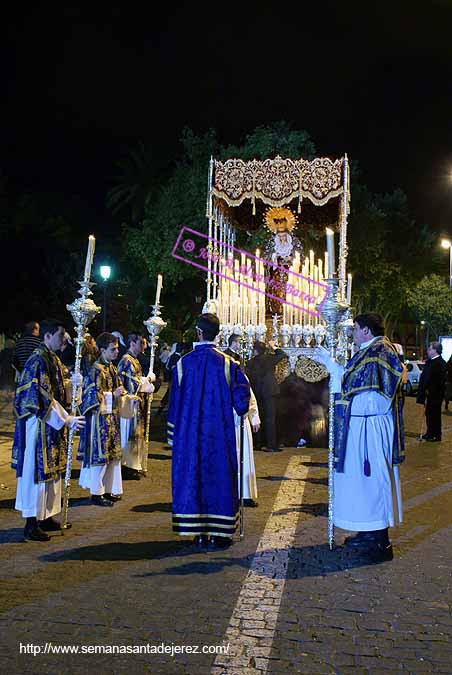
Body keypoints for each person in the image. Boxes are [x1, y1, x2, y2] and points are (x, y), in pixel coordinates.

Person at [318, 312, 404, 562]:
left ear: (366, 330)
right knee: (361, 482)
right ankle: (368, 531)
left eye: (355, 328)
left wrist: (333, 368)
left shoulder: (379, 352)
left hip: (371, 428)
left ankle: (379, 541)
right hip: (362, 425)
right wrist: (334, 367)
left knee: (373, 480)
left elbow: (361, 388)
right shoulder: (369, 350)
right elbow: (352, 383)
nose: (353, 333)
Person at [168, 313, 250, 549]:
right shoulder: (228, 364)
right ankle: (220, 533)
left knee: (193, 478)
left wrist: (174, 435)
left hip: (190, 438)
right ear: (219, 334)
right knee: (219, 479)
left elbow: (174, 404)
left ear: (199, 332)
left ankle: (198, 532)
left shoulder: (183, 364)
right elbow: (242, 402)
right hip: (218, 436)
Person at [11, 319, 85, 541]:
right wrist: (66, 419)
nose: (64, 340)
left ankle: (46, 516)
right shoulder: (38, 360)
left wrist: (75, 383)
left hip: (51, 425)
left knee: (51, 473)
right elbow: (41, 396)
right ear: (47, 336)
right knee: (37, 472)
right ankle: (31, 523)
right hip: (38, 424)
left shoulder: (51, 357)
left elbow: (60, 387)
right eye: (61, 335)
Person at [77, 332, 127, 506]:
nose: (117, 352)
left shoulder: (112, 367)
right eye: (113, 349)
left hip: (111, 418)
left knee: (112, 457)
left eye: (117, 348)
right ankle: (96, 493)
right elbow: (91, 398)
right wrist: (113, 394)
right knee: (101, 456)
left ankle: (108, 489)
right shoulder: (95, 370)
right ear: (102, 350)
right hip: (99, 422)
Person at [224, 337, 260, 507]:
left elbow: (250, 397)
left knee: (244, 455)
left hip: (241, 421)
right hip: (227, 422)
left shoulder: (241, 375)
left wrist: (254, 417)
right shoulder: (221, 376)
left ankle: (245, 493)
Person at [117, 332, 155, 480]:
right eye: (141, 343)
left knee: (136, 436)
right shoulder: (127, 360)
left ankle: (134, 465)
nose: (143, 347)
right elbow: (132, 383)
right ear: (132, 343)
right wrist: (147, 380)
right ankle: (128, 466)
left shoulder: (135, 360)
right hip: (129, 404)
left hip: (137, 404)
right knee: (130, 436)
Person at [246, 340, 287, 452]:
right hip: (270, 392)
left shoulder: (250, 363)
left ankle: (258, 443)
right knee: (270, 418)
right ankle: (271, 445)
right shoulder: (270, 358)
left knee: (258, 417)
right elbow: (283, 354)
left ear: (255, 351)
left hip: (257, 392)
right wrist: (274, 346)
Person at [416, 341, 447, 442]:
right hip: (428, 393)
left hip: (435, 394)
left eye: (430, 349)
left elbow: (439, 381)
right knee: (429, 414)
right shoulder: (430, 362)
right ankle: (430, 432)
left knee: (434, 415)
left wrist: (429, 389)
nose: (428, 351)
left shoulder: (440, 363)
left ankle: (435, 435)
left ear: (435, 350)